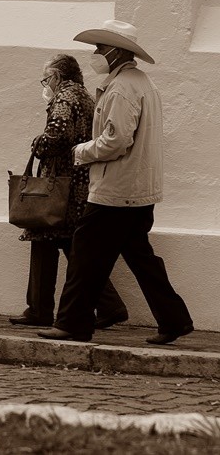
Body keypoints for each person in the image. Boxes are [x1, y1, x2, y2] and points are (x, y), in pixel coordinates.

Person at [37, 20, 194, 345]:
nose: (95, 54)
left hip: (116, 190)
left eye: (99, 48)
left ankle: (73, 324)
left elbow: (116, 140)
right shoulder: (140, 82)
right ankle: (174, 318)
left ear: (115, 51)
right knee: (140, 257)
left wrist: (81, 150)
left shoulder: (122, 88)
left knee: (84, 255)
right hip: (137, 190)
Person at [9, 54, 128, 329]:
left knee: (47, 237)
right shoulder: (85, 97)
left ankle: (40, 309)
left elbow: (58, 135)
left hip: (59, 185)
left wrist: (38, 144)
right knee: (68, 244)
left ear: (58, 77)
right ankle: (108, 305)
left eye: (46, 78)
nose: (45, 84)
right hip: (79, 183)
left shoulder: (64, 98)